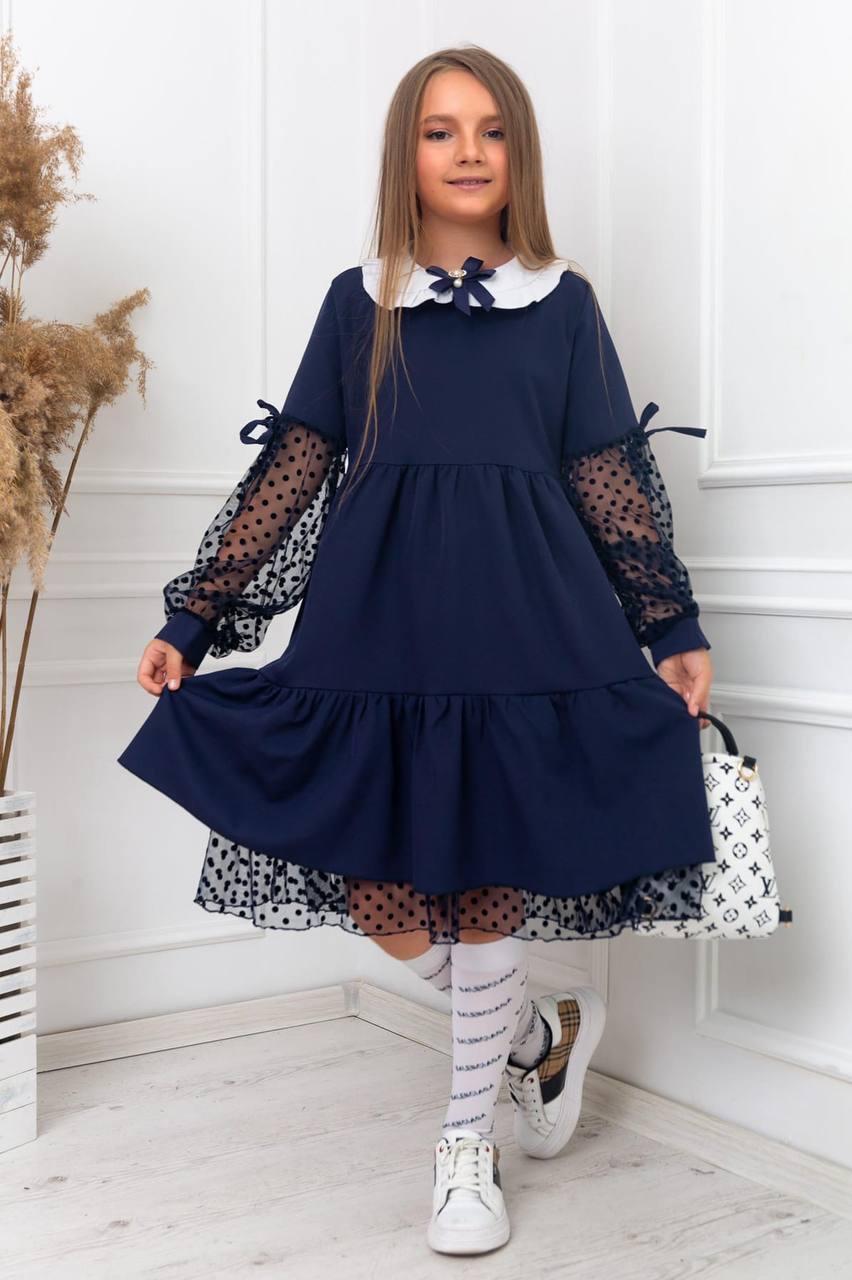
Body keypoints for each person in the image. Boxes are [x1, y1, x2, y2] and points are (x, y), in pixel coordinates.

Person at [117, 44, 715, 1257]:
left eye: (491, 131)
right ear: (406, 153)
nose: (468, 152)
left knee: (485, 879)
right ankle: (535, 1031)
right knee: (380, 889)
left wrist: (670, 622)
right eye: (442, 131)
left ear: (519, 154)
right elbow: (292, 470)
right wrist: (197, 615)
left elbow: (607, 472)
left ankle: (464, 1146)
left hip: (524, 621)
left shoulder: (564, 301)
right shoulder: (360, 303)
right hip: (378, 621)